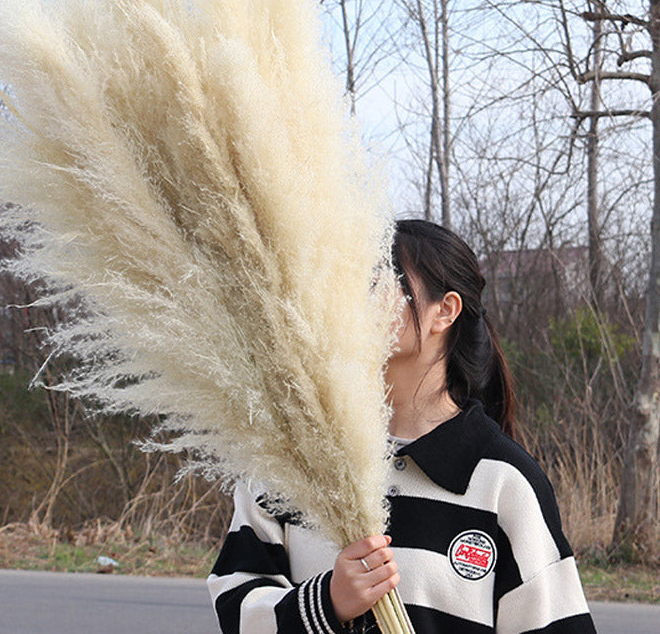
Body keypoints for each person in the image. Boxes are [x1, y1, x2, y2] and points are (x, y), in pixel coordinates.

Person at [207, 219, 597, 634]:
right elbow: (235, 604)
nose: (350, 297)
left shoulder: (503, 479)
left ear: (443, 311)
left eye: (376, 280)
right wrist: (327, 603)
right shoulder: (295, 456)